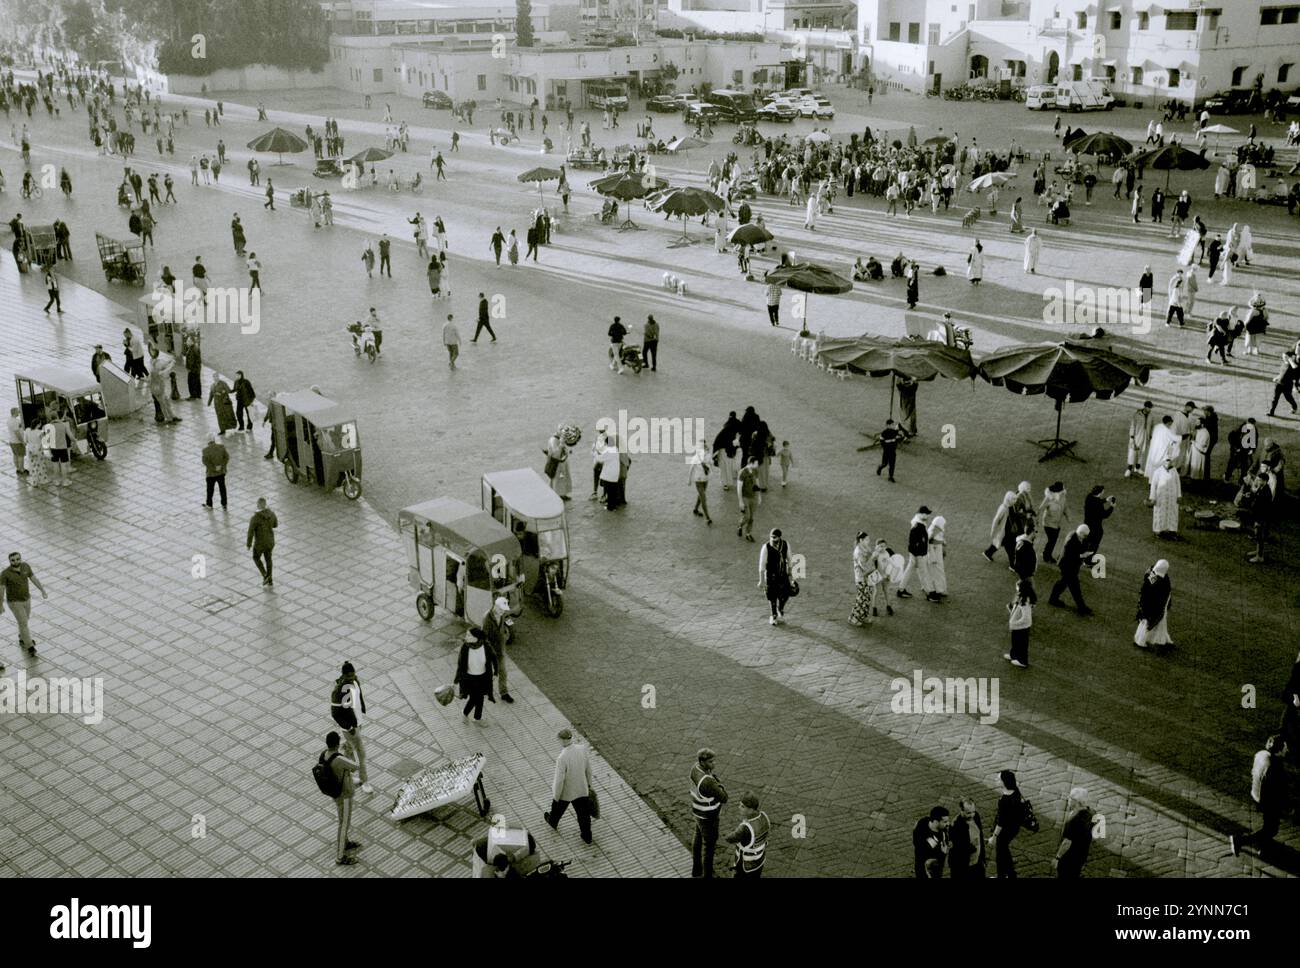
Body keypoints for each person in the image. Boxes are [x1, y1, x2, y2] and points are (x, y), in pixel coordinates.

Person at [1230, 735, 1289, 859]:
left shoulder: (1260, 754)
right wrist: (1285, 806)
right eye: (1284, 747)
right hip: (1267, 801)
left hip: (1255, 793)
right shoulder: (1276, 766)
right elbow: (1277, 790)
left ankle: (1263, 847)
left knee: (1269, 826)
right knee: (1271, 829)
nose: (1286, 750)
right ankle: (1240, 841)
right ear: (1279, 750)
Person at [329, 662, 374, 795]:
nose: (351, 678)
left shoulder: (355, 681)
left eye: (353, 675)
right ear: (343, 676)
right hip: (351, 728)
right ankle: (364, 781)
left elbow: (356, 701)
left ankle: (345, 776)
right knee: (361, 754)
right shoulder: (341, 690)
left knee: (349, 752)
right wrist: (350, 727)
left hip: (357, 723)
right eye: (348, 677)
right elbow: (335, 713)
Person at [319, 731, 362, 866]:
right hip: (345, 795)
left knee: (342, 819)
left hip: (335, 794)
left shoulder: (324, 754)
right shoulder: (338, 759)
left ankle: (346, 843)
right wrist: (351, 751)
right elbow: (356, 766)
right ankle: (340, 856)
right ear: (337, 744)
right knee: (344, 825)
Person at [545, 727, 594, 845]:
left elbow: (559, 780)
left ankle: (553, 822)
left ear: (561, 740)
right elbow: (588, 769)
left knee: (557, 808)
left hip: (566, 792)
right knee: (583, 814)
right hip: (581, 788)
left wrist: (556, 796)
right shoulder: (582, 749)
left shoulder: (562, 758)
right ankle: (587, 836)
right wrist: (588, 784)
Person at [0, 551, 48, 667]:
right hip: (14, 602)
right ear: (9, 561)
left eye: (17, 559)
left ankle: (22, 637)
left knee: (24, 620)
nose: (15, 562)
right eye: (13, 560)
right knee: (23, 623)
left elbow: (33, 578)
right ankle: (30, 646)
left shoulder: (26, 566)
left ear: (20, 559)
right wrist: (0, 604)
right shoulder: (5, 574)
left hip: (27, 599)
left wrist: (42, 590)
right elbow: (1, 590)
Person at [689, 749, 728, 878]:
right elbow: (724, 797)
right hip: (709, 817)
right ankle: (707, 875)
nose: (714, 764)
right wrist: (720, 785)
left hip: (697, 811)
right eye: (710, 761)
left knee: (698, 839)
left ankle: (696, 870)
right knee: (709, 848)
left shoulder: (694, 769)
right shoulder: (707, 781)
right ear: (702, 761)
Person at [454, 627, 497, 724]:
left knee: (480, 697)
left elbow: (494, 658)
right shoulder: (465, 647)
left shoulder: (486, 646)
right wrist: (456, 681)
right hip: (469, 678)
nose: (466, 637)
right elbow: (460, 665)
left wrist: (496, 673)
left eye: (468, 635)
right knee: (475, 698)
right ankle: (467, 714)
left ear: (476, 637)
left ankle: (475, 717)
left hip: (483, 677)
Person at [1048, 525, 1093, 616]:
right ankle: (1081, 607)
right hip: (1067, 566)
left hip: (1069, 566)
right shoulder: (1071, 541)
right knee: (1075, 587)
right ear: (1080, 533)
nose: (1085, 538)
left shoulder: (1075, 534)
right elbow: (1070, 556)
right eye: (1084, 536)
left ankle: (1053, 599)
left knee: (1063, 583)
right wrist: (1082, 556)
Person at [988, 770, 1024, 878]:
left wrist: (994, 836)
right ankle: (1011, 874)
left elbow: (1001, 822)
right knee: (1004, 850)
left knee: (1000, 854)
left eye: (998, 779)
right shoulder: (1016, 791)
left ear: (1004, 782)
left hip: (1005, 830)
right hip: (1014, 827)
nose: (996, 780)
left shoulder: (1004, 800)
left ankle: (1002, 875)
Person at [725, 793, 770, 878]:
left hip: (745, 865)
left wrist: (727, 833)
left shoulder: (745, 828)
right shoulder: (764, 816)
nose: (739, 808)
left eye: (742, 806)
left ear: (750, 810)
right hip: (759, 860)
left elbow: (730, 838)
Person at [1054, 788, 1096, 878]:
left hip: (1069, 858)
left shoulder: (1073, 820)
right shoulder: (1090, 813)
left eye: (1070, 798)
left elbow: (1067, 842)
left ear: (1076, 801)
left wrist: (1057, 858)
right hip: (1081, 855)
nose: (1068, 799)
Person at [758, 527, 794, 626]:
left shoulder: (785, 544)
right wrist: (761, 580)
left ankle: (780, 608)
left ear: (779, 537)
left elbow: (790, 560)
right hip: (771, 576)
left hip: (782, 575)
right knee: (772, 597)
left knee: (786, 593)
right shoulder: (766, 547)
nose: (773, 539)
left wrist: (790, 574)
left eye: (775, 537)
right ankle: (773, 616)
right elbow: (761, 565)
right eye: (771, 537)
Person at [1134, 559, 1173, 650]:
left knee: (1147, 622)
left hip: (1149, 603)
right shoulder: (1163, 580)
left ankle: (1155, 639)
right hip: (1154, 606)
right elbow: (1163, 594)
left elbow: (1146, 588)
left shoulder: (1152, 574)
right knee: (1149, 623)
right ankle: (1142, 640)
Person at [482, 596, 513, 703]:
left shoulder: (503, 614)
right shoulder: (487, 618)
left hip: (500, 649)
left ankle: (504, 693)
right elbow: (484, 636)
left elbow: (506, 625)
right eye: (500, 609)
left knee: (503, 672)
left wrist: (506, 635)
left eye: (503, 610)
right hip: (491, 651)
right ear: (495, 606)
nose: (502, 611)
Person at [949, 799, 985, 878]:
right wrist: (972, 847)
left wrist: (982, 858)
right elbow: (957, 849)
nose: (972, 815)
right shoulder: (955, 825)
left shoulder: (976, 816)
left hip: (977, 863)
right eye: (968, 813)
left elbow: (980, 836)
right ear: (961, 811)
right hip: (963, 866)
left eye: (973, 811)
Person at [246, 497, 277, 587]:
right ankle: (270, 580)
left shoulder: (255, 518)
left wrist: (248, 544)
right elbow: (275, 525)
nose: (256, 505)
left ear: (259, 505)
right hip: (270, 541)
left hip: (260, 543)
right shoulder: (272, 514)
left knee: (256, 557)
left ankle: (265, 575)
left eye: (257, 504)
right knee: (268, 559)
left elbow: (250, 532)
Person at [913, 806, 951, 878]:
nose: (948, 824)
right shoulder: (922, 836)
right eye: (945, 822)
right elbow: (924, 858)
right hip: (926, 871)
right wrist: (943, 853)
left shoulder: (925, 821)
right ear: (936, 822)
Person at [982, 491, 1018, 566]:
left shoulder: (1010, 506)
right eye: (1013, 499)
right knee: (1010, 547)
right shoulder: (1004, 508)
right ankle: (1012, 565)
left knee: (1000, 543)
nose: (1015, 501)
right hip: (1005, 531)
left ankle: (988, 553)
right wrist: (993, 531)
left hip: (1008, 531)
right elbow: (996, 520)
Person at [1149, 458, 1181, 538]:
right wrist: (1153, 497)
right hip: (1161, 497)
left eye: (1170, 461)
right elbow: (1153, 486)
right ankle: (1158, 530)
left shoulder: (1174, 472)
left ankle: (1172, 531)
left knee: (1172, 513)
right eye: (1166, 460)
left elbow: (1178, 484)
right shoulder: (1158, 472)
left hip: (1172, 497)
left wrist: (1179, 495)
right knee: (1160, 512)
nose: (1168, 463)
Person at [1037, 482, 1069, 563]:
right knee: (1052, 540)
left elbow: (1065, 507)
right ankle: (1047, 556)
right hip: (1048, 523)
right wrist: (1036, 518)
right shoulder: (1048, 498)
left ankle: (1046, 553)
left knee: (1053, 540)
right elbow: (1041, 508)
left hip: (1057, 523)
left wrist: (1068, 517)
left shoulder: (1063, 497)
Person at [1143, 415, 1180, 480]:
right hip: (1160, 451)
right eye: (1171, 423)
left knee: (1153, 466)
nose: (1171, 424)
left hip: (1154, 449)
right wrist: (1186, 435)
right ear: (1169, 422)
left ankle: (1151, 482)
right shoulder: (1167, 430)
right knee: (1158, 467)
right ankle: (1155, 482)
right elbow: (1176, 439)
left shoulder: (1157, 426)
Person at [202, 433, 228, 509]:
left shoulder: (205, 451)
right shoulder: (221, 447)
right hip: (221, 473)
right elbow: (226, 457)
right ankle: (224, 504)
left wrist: (214, 468)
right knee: (222, 488)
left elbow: (205, 462)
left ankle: (209, 504)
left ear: (207, 441)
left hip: (211, 474)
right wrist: (222, 466)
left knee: (210, 490)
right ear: (214, 440)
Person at [545, 426, 571, 500]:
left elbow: (565, 450)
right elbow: (556, 453)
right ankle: (556, 495)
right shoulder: (553, 440)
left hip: (562, 461)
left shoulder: (560, 439)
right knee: (557, 478)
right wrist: (561, 444)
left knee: (564, 477)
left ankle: (563, 494)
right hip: (555, 462)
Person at [688, 444, 712, 525]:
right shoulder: (695, 458)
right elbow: (691, 469)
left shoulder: (708, 456)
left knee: (701, 496)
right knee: (703, 498)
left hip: (705, 480)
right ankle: (707, 517)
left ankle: (695, 509)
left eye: (705, 450)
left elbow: (710, 465)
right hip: (698, 480)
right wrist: (689, 480)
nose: (704, 452)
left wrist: (708, 461)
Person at [6, 407, 26, 478]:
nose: (19, 412)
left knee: (15, 455)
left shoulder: (9, 420)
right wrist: (22, 441)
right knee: (21, 456)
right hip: (17, 442)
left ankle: (17, 468)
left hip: (12, 441)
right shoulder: (15, 421)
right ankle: (22, 470)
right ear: (14, 412)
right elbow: (17, 432)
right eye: (18, 411)